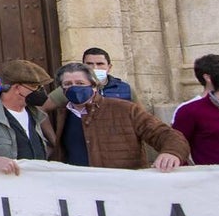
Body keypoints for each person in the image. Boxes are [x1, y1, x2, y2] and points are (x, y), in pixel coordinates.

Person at [48, 62, 188, 171]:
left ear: (94, 86)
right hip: (80, 190)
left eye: (80, 83)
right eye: (68, 84)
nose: (74, 87)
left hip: (120, 188)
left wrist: (172, 152)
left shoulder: (125, 109)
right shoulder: (62, 115)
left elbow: (165, 134)